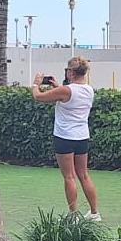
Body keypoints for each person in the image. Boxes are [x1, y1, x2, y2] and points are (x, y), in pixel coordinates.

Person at [33, 57, 100, 220]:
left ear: (71, 72)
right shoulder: (89, 90)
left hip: (65, 137)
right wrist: (58, 87)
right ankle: (94, 212)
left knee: (69, 176)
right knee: (84, 175)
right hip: (82, 137)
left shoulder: (66, 90)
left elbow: (39, 96)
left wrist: (36, 84)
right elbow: (70, 97)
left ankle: (73, 215)